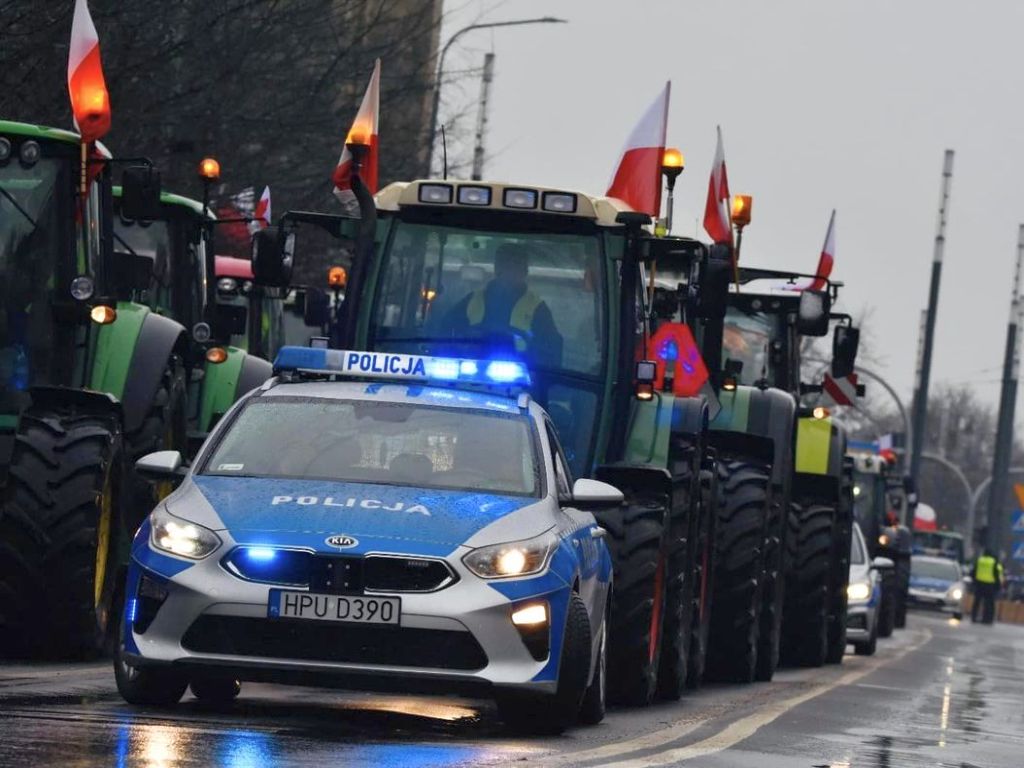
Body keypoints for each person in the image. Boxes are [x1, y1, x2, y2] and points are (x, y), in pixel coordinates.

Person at [441, 243, 562, 367]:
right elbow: (443, 330)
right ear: (496, 269)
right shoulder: (472, 300)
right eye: (506, 265)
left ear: (524, 271)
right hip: (470, 372)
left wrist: (535, 373)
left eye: (516, 265)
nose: (510, 271)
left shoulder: (537, 308)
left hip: (522, 378)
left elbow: (551, 351)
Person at [971, 547, 1005, 625]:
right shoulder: (993, 562)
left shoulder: (979, 560)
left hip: (979, 584)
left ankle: (974, 617)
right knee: (989, 603)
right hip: (989, 585)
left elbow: (973, 572)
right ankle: (987, 619)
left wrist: (974, 581)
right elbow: (995, 574)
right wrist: (998, 585)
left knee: (977, 602)